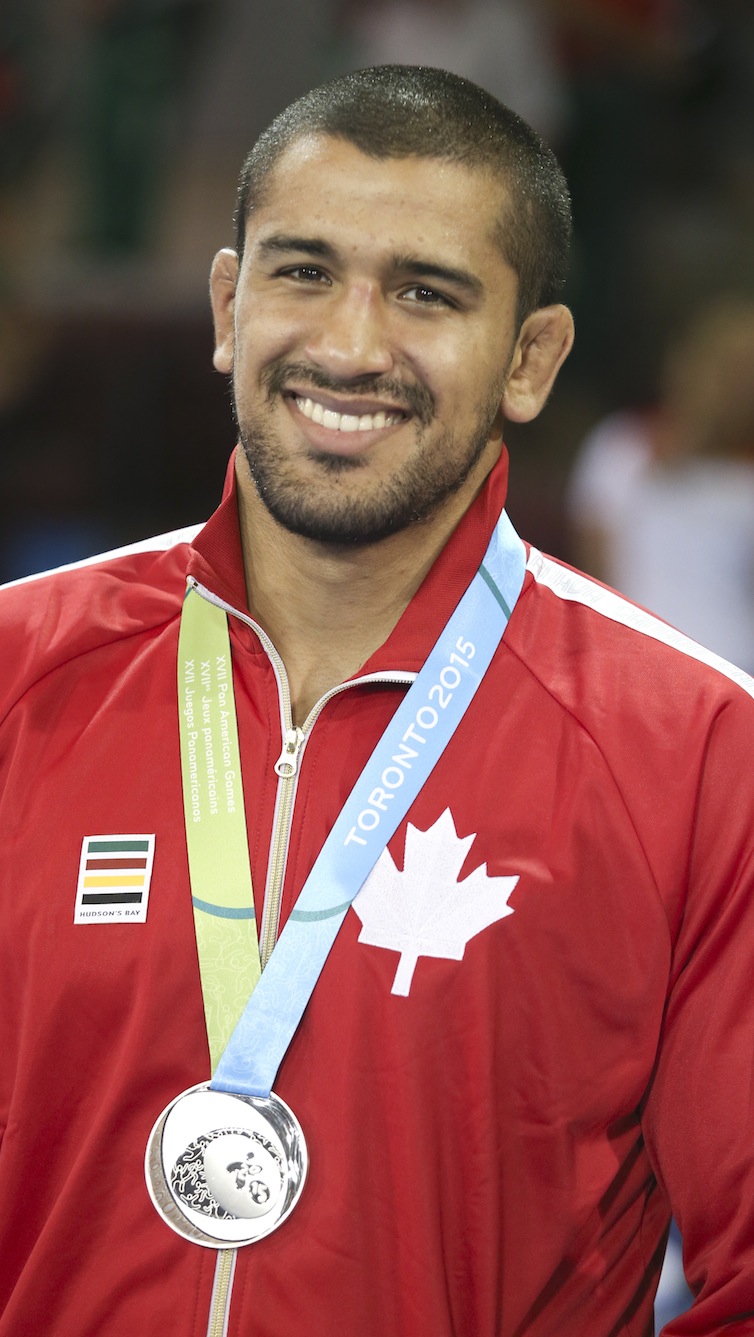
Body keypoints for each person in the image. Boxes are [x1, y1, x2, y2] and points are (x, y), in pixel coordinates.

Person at [0, 64, 753, 1337]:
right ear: (230, 306)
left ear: (532, 357)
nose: (351, 345)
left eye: (424, 292)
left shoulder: (693, 755)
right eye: (303, 272)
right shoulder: (19, 676)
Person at [567, 297, 754, 673]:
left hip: (739, 671)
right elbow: (592, 573)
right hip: (641, 663)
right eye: (729, 369)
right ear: (688, 365)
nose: (737, 387)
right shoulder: (621, 445)